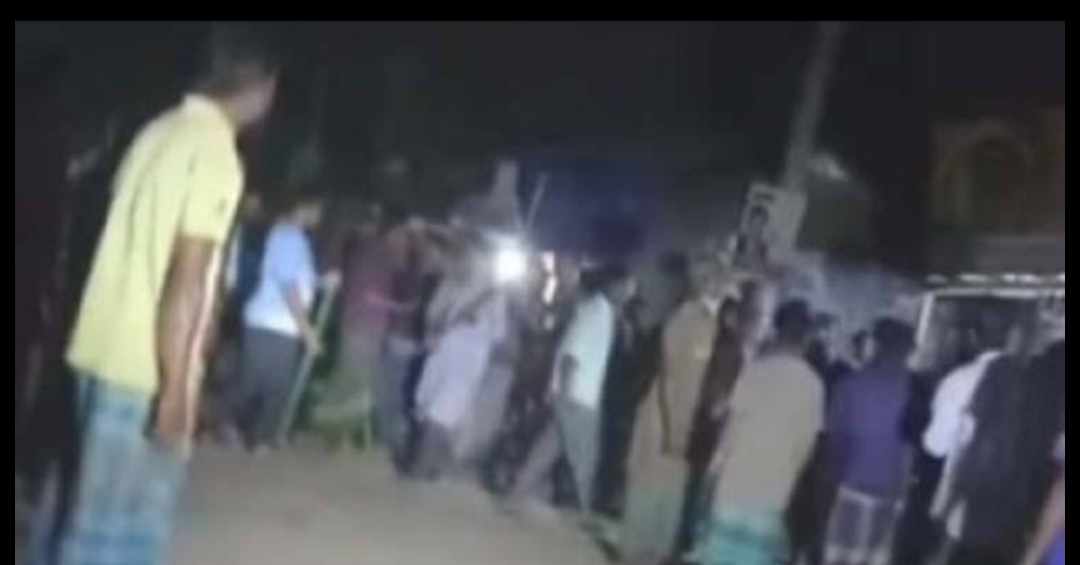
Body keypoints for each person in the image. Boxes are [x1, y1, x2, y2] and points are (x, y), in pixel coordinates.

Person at [24, 25, 278, 565]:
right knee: (117, 537)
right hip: (142, 371)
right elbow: (188, 279)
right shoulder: (214, 154)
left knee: (75, 516)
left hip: (95, 348)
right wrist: (177, 390)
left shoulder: (155, 132)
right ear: (259, 86)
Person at [692, 299, 824, 565]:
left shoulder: (755, 371)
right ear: (807, 338)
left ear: (777, 330)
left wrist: (710, 477)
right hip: (772, 496)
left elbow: (729, 433)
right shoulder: (813, 386)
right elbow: (804, 451)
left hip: (732, 486)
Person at [506, 265, 637, 524]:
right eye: (629, 286)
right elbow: (571, 355)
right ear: (616, 286)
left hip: (573, 393)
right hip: (579, 396)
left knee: (547, 449)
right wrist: (565, 393)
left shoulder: (601, 313)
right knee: (585, 457)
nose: (631, 293)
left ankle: (515, 496)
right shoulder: (597, 314)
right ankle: (586, 514)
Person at [620, 257, 728, 565]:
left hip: (682, 427)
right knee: (648, 497)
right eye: (719, 278)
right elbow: (671, 377)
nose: (724, 285)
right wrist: (674, 430)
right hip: (663, 423)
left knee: (667, 503)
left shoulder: (711, 323)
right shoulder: (688, 319)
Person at [943, 340, 1063, 565]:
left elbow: (973, 434)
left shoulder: (1010, 377)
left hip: (985, 494)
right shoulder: (1053, 408)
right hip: (1021, 511)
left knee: (968, 552)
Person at [230, 192, 330, 453]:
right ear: (305, 207)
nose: (319, 218)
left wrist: (322, 281)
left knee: (270, 384)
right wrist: (307, 331)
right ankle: (239, 429)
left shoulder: (294, 238)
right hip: (272, 321)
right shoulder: (288, 237)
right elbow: (288, 286)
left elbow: (296, 278)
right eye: (318, 211)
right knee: (258, 383)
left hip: (279, 323)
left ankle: (257, 435)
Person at [922, 310, 1025, 562]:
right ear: (1011, 337)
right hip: (1006, 505)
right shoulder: (1027, 382)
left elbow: (935, 446)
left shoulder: (958, 380)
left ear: (973, 337)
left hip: (958, 491)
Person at [310, 205, 406, 452]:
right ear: (391, 233)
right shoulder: (377, 255)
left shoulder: (367, 251)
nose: (404, 242)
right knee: (354, 381)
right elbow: (370, 295)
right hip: (365, 326)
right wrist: (399, 307)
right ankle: (334, 432)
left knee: (350, 377)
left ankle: (334, 430)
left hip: (358, 324)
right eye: (402, 235)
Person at [822, 318, 915, 565]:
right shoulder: (915, 390)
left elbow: (835, 441)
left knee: (841, 557)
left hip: (851, 487)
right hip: (891, 493)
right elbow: (911, 449)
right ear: (907, 350)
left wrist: (830, 483)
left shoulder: (850, 385)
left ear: (876, 345)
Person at [412, 239, 508, 479]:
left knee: (440, 410)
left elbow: (432, 313)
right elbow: (498, 334)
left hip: (455, 358)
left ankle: (423, 466)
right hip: (456, 357)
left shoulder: (474, 289)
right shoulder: (484, 291)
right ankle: (427, 464)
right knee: (436, 410)